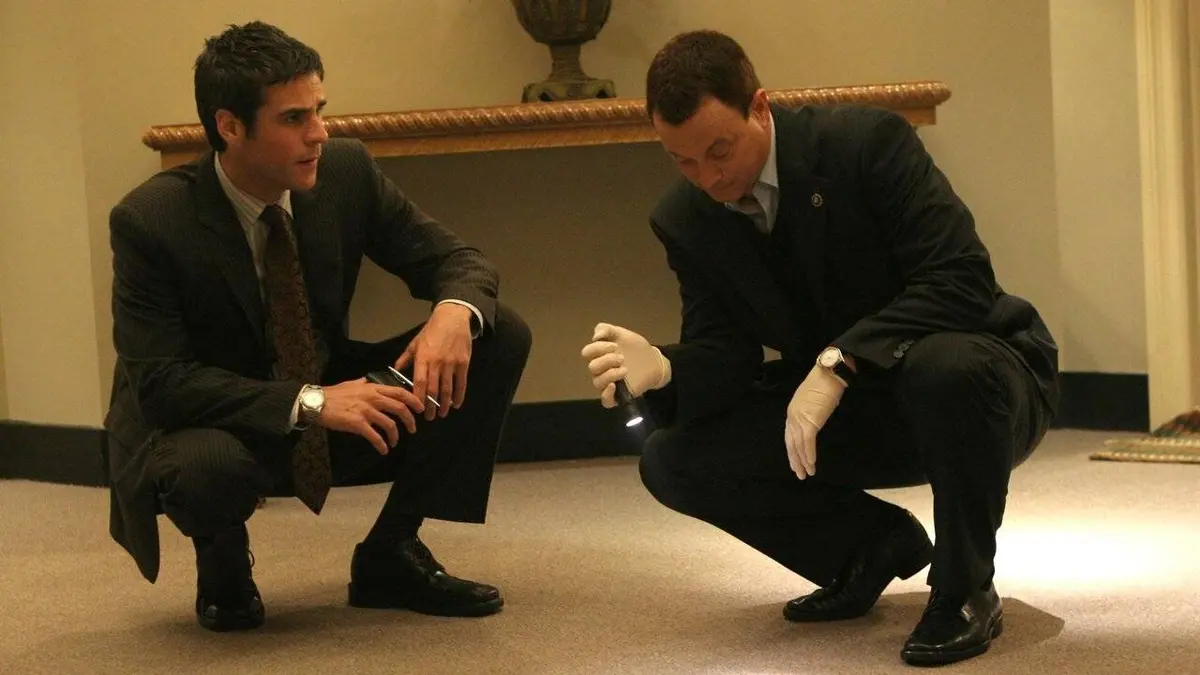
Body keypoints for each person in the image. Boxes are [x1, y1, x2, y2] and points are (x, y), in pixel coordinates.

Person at [581, 30, 1057, 666]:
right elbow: (726, 355)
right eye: (682, 161)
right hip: (852, 406)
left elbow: (960, 278)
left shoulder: (866, 143)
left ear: (759, 107)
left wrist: (841, 359)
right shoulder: (685, 217)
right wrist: (666, 367)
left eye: (719, 150)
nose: (708, 177)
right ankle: (868, 547)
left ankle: (964, 588)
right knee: (672, 458)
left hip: (980, 387)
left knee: (946, 368)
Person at [105, 21, 531, 632]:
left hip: (329, 390)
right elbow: (163, 385)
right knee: (204, 469)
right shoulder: (152, 220)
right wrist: (312, 402)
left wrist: (453, 311)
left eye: (319, 111)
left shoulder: (344, 172)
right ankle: (223, 560)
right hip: (216, 423)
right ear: (230, 127)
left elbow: (458, 260)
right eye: (293, 118)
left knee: (496, 331)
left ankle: (391, 551)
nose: (319, 133)